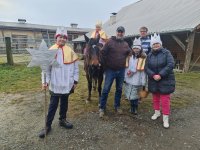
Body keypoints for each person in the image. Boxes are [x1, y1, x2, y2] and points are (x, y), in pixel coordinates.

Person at [39, 27, 79, 138]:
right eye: (60, 37)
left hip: (67, 83)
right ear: (56, 38)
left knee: (64, 103)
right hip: (55, 84)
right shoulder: (50, 51)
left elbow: (76, 68)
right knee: (53, 105)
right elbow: (45, 69)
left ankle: (62, 120)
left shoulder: (70, 51)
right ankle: (47, 125)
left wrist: (75, 80)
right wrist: (45, 81)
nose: (62, 39)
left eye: (64, 37)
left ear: (66, 39)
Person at [99, 26, 131, 118]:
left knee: (119, 89)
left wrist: (140, 53)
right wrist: (104, 65)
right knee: (106, 90)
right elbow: (102, 53)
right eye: (119, 32)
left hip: (121, 70)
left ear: (124, 33)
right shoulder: (109, 42)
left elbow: (131, 53)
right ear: (116, 32)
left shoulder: (125, 44)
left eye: (122, 32)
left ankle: (117, 106)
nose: (120, 33)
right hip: (110, 70)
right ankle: (102, 107)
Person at [145, 33, 175, 128]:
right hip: (153, 79)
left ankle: (165, 118)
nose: (156, 45)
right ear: (151, 45)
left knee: (165, 100)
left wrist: (160, 75)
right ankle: (157, 112)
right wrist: (153, 75)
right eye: (154, 44)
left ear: (160, 44)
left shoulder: (166, 53)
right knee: (155, 98)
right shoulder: (149, 55)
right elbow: (146, 67)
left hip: (165, 79)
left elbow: (170, 64)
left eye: (157, 43)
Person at [124, 38, 147, 115]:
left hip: (138, 79)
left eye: (137, 48)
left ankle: (135, 108)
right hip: (129, 78)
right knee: (130, 95)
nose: (136, 50)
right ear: (132, 49)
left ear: (140, 49)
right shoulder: (129, 57)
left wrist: (143, 81)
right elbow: (126, 68)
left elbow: (144, 71)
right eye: (134, 48)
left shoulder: (143, 58)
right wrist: (125, 76)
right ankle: (131, 107)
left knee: (136, 95)